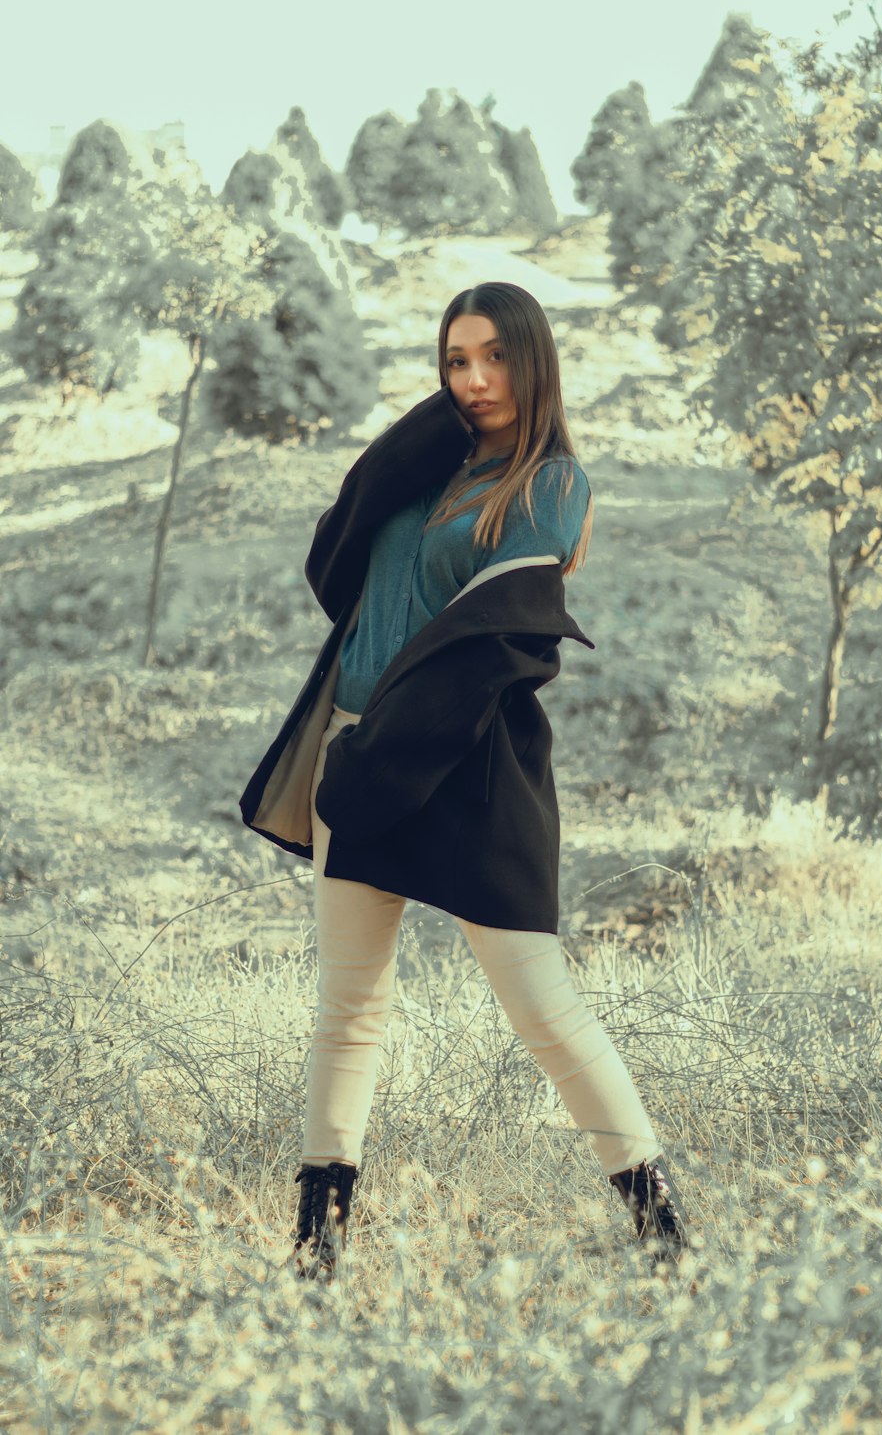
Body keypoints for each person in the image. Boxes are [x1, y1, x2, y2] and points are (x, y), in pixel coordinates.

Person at [239, 282, 690, 1281]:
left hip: (468, 760)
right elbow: (332, 564)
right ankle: (316, 1254)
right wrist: (426, 428)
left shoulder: (555, 485)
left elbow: (493, 646)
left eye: (494, 358)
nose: (476, 379)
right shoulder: (435, 464)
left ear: (536, 363)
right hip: (357, 759)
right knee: (349, 1007)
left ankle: (663, 1237)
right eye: (454, 361)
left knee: (542, 1009)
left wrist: (379, 754)